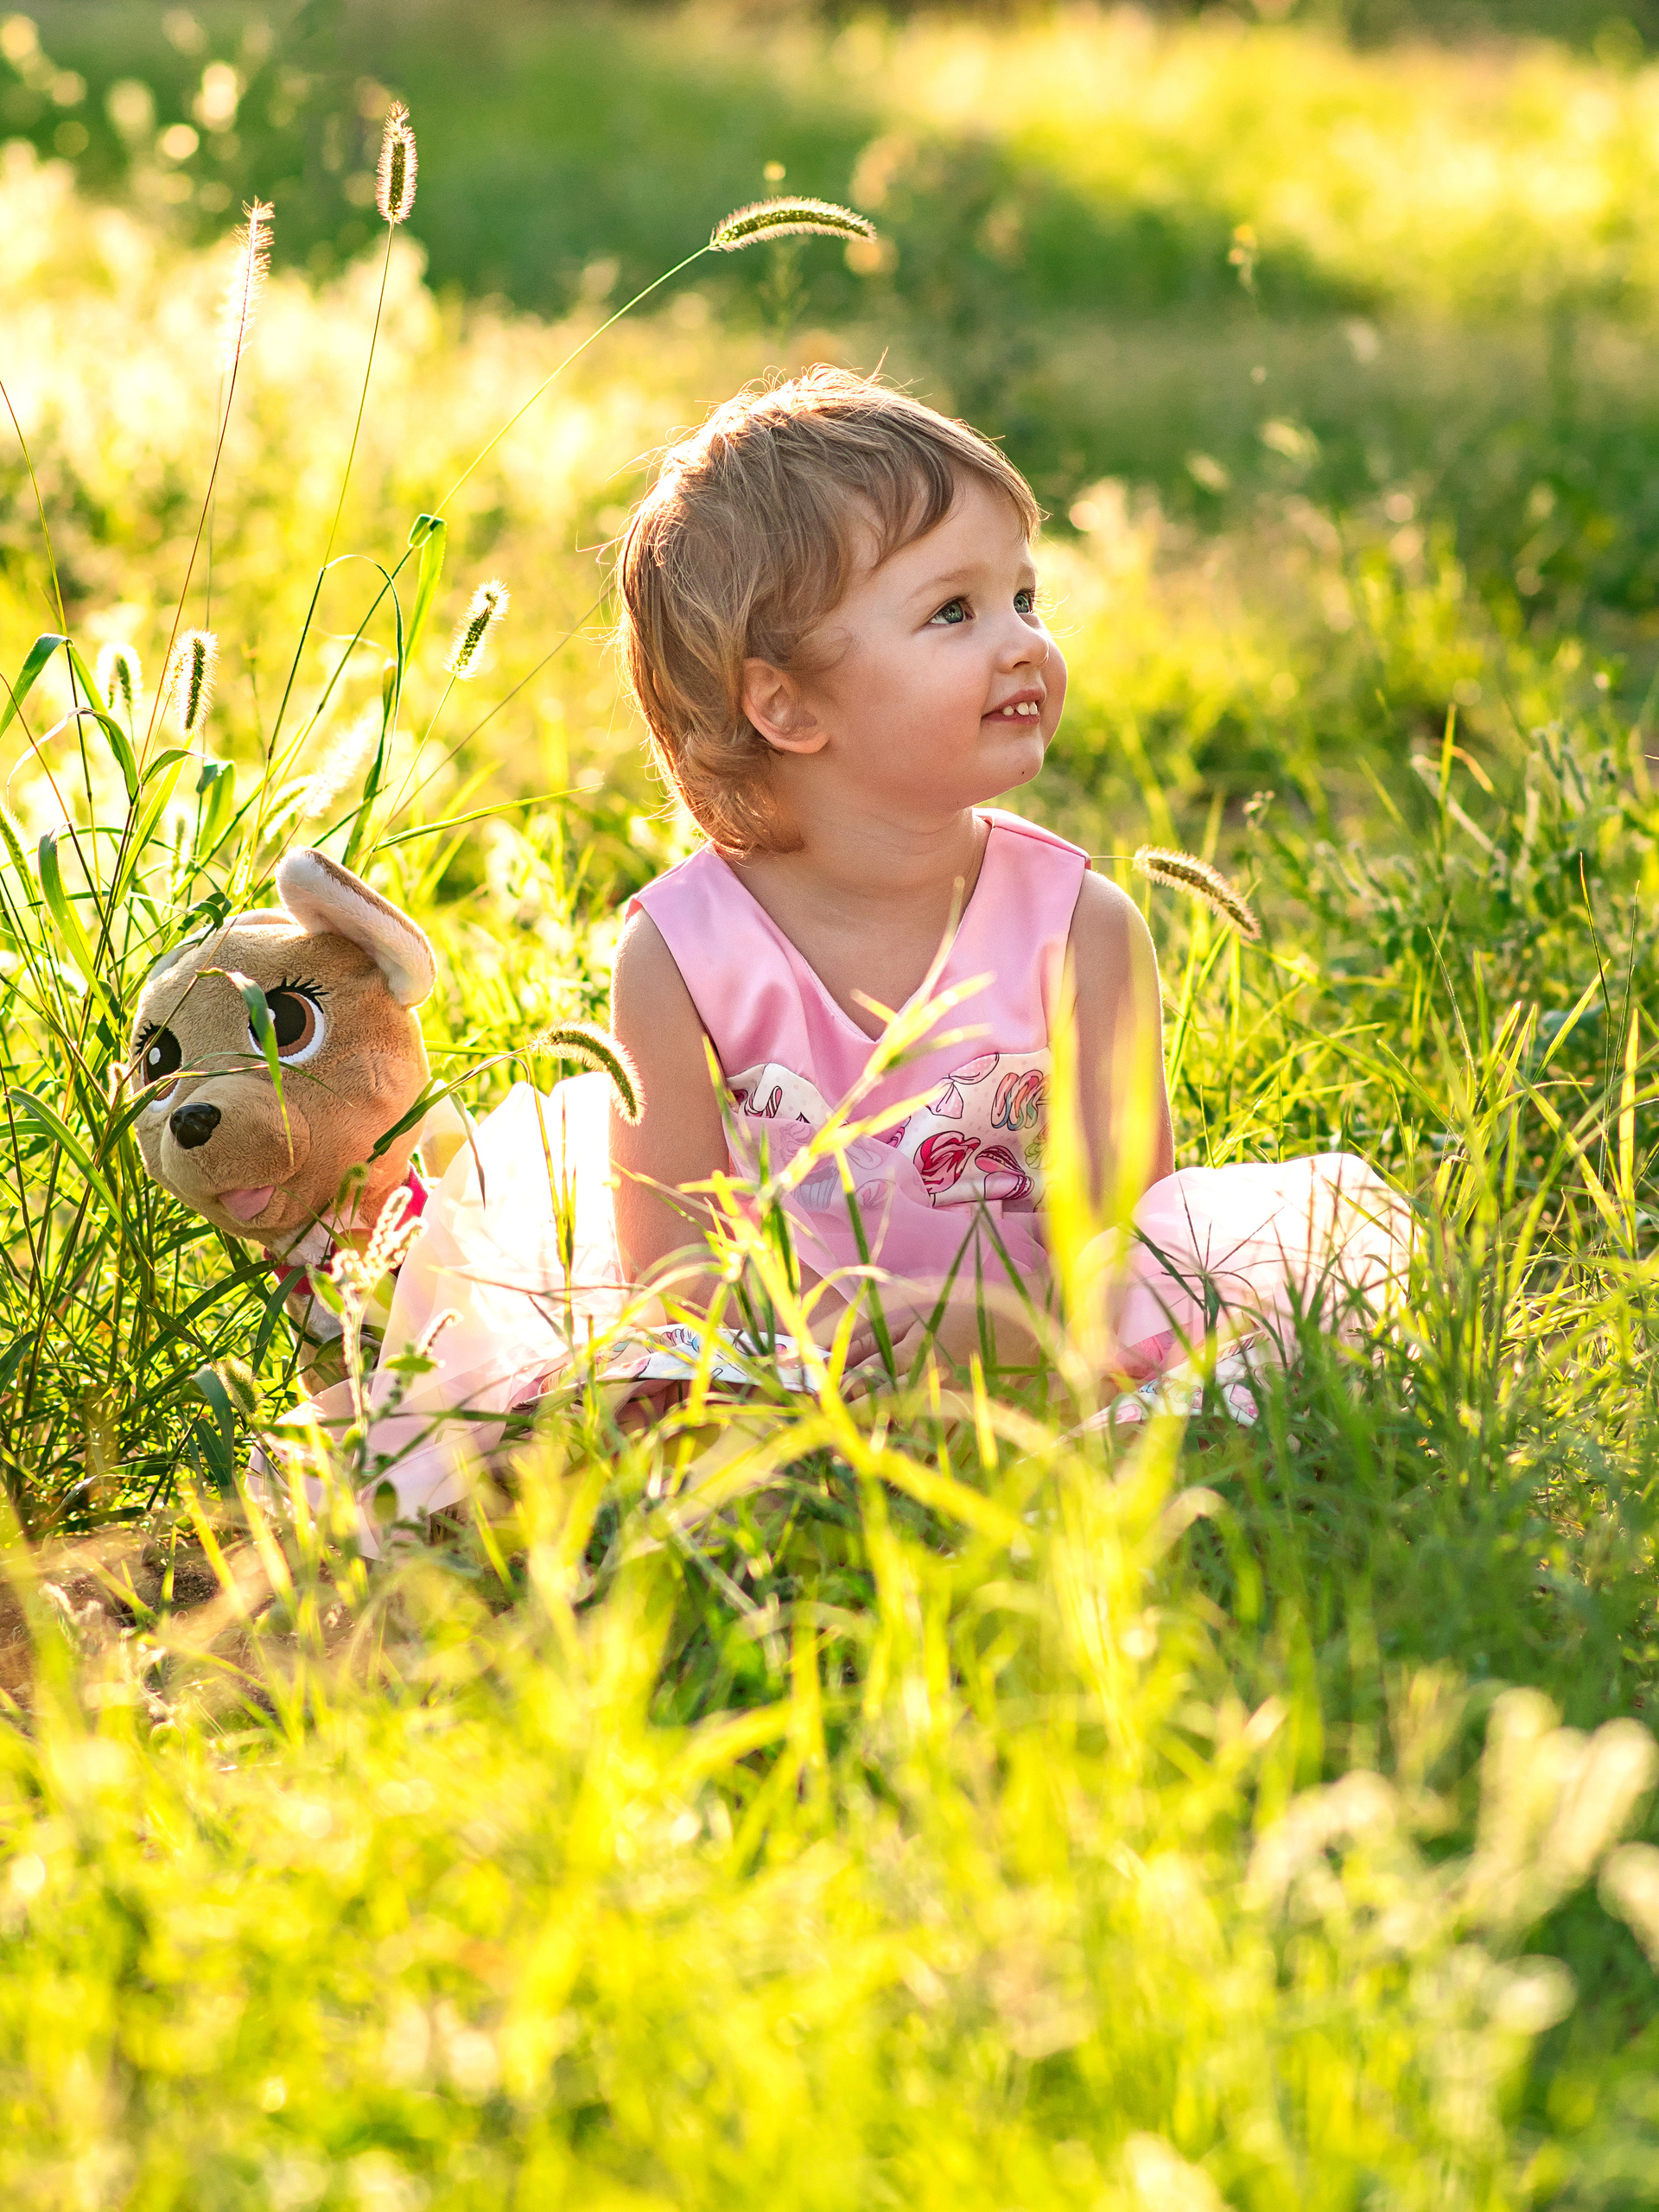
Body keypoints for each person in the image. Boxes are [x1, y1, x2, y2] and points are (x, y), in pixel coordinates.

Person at [346, 367, 1404, 1518]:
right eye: (954, 612)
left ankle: (1070, 1481)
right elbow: (677, 1279)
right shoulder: (681, 957)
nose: (1021, 647)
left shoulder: (1083, 931)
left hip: (1042, 1349)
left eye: (1025, 601)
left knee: (1236, 1363)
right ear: (787, 708)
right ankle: (769, 1500)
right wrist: (820, 1350)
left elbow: (1130, 1242)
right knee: (632, 1397)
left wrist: (983, 1334)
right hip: (782, 1362)